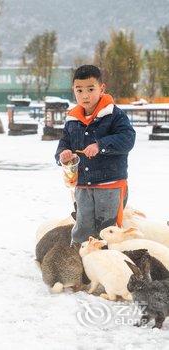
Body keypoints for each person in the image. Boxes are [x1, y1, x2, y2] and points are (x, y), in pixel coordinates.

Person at [55, 65, 136, 244]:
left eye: (91, 89)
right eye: (79, 90)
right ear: (73, 90)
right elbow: (64, 143)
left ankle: (111, 265)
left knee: (108, 231)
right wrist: (63, 154)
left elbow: (128, 139)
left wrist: (101, 145)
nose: (85, 95)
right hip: (82, 184)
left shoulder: (115, 115)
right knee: (83, 227)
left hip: (110, 185)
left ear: (102, 88)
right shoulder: (72, 120)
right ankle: (80, 263)